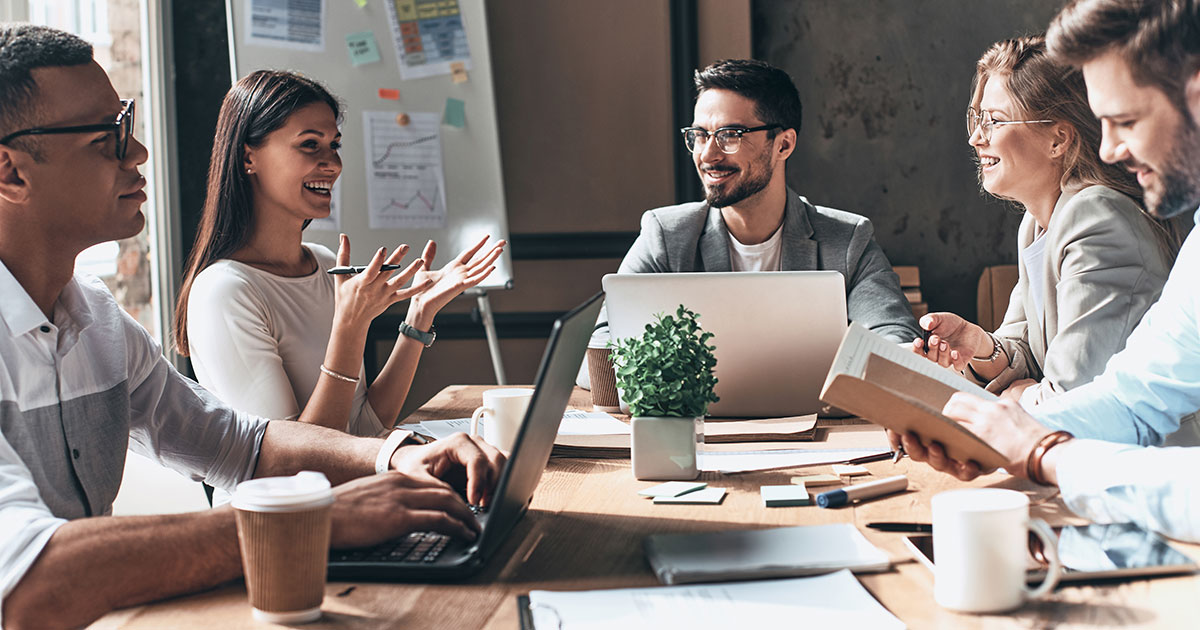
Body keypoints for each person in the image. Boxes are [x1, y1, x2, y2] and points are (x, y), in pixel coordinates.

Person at [0, 25, 503, 628]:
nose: (138, 153)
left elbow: (242, 444)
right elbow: (31, 583)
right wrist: (318, 519)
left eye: (127, 125)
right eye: (108, 138)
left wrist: (397, 455)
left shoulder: (97, 319)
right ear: (11, 173)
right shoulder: (221, 287)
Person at [897, 0, 1200, 543]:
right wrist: (995, 434)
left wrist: (1035, 445)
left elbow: (1086, 392)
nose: (1108, 148)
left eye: (1126, 120)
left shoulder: (1094, 212)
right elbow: (1131, 396)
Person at [174, 70, 503, 448]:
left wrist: (419, 315)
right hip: (289, 507)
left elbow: (362, 428)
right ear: (249, 157)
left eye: (334, 145)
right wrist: (349, 328)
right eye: (310, 145)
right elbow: (292, 463)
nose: (332, 163)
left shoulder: (323, 261)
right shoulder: (224, 292)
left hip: (352, 495)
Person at [581, 58, 920, 387]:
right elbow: (598, 354)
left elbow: (896, 340)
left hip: (818, 435)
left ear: (783, 144)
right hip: (700, 437)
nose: (708, 155)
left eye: (730, 135)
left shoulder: (847, 240)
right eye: (700, 135)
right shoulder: (666, 236)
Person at [914, 36, 1185, 409]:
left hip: (1141, 459)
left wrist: (1022, 395)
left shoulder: (1096, 218)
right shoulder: (1038, 222)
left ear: (1058, 139)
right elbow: (1028, 347)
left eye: (994, 121)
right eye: (977, 119)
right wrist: (979, 345)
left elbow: (1073, 397)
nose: (977, 138)